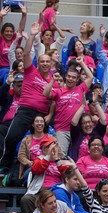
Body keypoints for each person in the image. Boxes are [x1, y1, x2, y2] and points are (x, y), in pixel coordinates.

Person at [0, 22, 52, 172]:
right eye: (42, 61)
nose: (44, 64)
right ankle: (5, 164)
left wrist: (49, 115)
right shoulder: (31, 71)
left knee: (47, 142)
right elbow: (26, 52)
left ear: (50, 64)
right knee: (11, 137)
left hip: (41, 115)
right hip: (25, 111)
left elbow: (54, 101)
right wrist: (33, 36)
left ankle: (45, 168)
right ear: (38, 63)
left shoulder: (52, 81)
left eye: (47, 62)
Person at [44, 57, 94, 155]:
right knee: (60, 156)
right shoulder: (59, 91)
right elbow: (46, 93)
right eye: (69, 76)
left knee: (78, 155)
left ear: (77, 79)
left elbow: (90, 77)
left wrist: (81, 63)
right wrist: (53, 81)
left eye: (73, 77)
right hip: (62, 130)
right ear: (66, 77)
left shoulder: (81, 89)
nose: (70, 79)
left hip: (78, 130)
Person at [16, 115, 50, 185]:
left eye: (41, 121)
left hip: (47, 167)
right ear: (33, 124)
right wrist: (30, 163)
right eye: (37, 121)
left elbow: (58, 154)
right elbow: (21, 156)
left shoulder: (51, 138)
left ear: (44, 124)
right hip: (31, 168)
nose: (39, 123)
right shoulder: (26, 139)